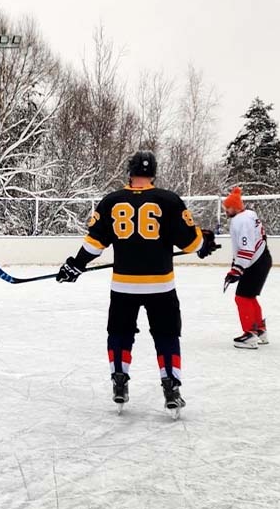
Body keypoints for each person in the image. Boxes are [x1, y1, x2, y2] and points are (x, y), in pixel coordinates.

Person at [56, 151, 218, 409]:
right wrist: (203, 242)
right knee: (166, 335)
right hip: (161, 285)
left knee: (119, 333)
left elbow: (94, 244)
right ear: (153, 173)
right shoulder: (169, 200)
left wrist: (76, 265)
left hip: (124, 285)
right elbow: (192, 243)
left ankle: (119, 381)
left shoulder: (111, 201)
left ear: (129, 173)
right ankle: (171, 387)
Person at [221, 187, 272, 349]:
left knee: (242, 298)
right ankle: (260, 330)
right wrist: (236, 266)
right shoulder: (250, 215)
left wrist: (237, 269)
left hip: (254, 262)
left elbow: (246, 247)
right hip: (262, 259)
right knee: (249, 297)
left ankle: (250, 334)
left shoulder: (240, 221)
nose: (225, 210)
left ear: (235, 207)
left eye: (227, 207)